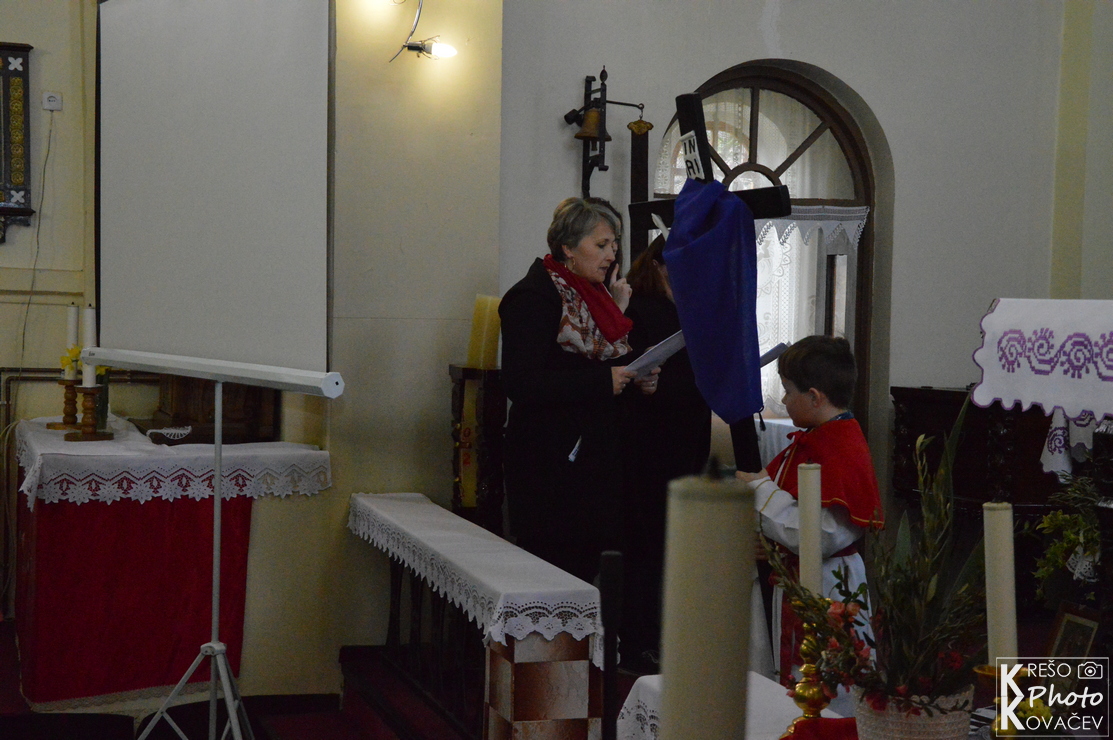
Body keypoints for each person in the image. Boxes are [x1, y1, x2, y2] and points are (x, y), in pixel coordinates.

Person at [499, 197, 658, 583]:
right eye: (601, 245)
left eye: (614, 245)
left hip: (595, 467)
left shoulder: (595, 296)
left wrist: (639, 380)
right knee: (553, 581)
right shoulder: (533, 296)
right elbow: (521, 382)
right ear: (568, 247)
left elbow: (606, 368)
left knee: (588, 579)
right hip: (551, 471)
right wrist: (605, 381)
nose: (612, 255)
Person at [735, 335, 883, 683]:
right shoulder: (815, 438)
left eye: (788, 391)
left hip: (830, 585)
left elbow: (821, 535)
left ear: (815, 397)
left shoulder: (840, 446)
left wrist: (760, 489)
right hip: (795, 578)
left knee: (828, 685)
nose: (784, 400)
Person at [619, 236, 711, 670]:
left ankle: (664, 636)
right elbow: (633, 378)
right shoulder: (641, 310)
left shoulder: (687, 309)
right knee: (647, 549)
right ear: (658, 265)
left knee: (672, 548)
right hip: (651, 448)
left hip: (684, 441)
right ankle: (639, 641)